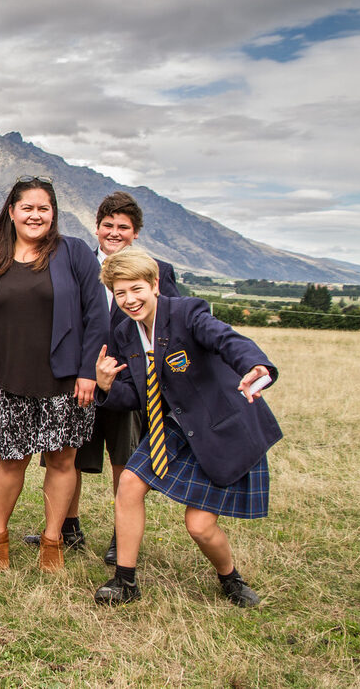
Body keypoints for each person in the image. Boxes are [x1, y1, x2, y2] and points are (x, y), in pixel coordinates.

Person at [92, 247, 280, 607]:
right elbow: (134, 394)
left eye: (136, 289)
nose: (130, 300)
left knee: (199, 526)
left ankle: (230, 579)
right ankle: (124, 582)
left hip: (218, 427)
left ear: (154, 285)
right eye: (121, 293)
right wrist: (105, 386)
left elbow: (226, 340)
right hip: (173, 428)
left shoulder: (187, 313)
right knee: (129, 483)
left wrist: (255, 365)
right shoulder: (124, 333)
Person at [24, 191, 179, 564]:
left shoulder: (157, 270)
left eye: (122, 227)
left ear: (135, 233)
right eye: (107, 225)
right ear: (96, 228)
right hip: (79, 378)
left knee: (124, 461)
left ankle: (120, 535)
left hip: (128, 383)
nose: (114, 233)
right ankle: (66, 527)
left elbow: (167, 325)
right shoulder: (75, 262)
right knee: (67, 455)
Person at [0, 177, 105, 572]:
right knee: (12, 460)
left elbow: (96, 317)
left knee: (63, 461)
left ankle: (51, 540)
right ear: (11, 212)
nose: (35, 215)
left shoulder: (74, 253)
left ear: (53, 214)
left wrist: (87, 372)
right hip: (9, 380)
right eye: (27, 207)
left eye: (43, 208)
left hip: (66, 382)